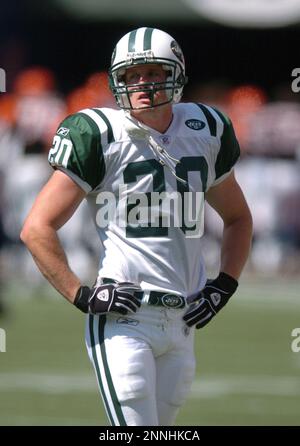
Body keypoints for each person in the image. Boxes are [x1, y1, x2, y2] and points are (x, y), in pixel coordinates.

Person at [21, 27, 253, 426]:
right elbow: (36, 228)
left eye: (151, 72)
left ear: (177, 73)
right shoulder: (99, 133)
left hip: (184, 319)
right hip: (123, 317)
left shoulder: (207, 128)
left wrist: (224, 285)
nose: (141, 84)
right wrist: (82, 296)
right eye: (130, 76)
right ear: (116, 81)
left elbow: (238, 218)